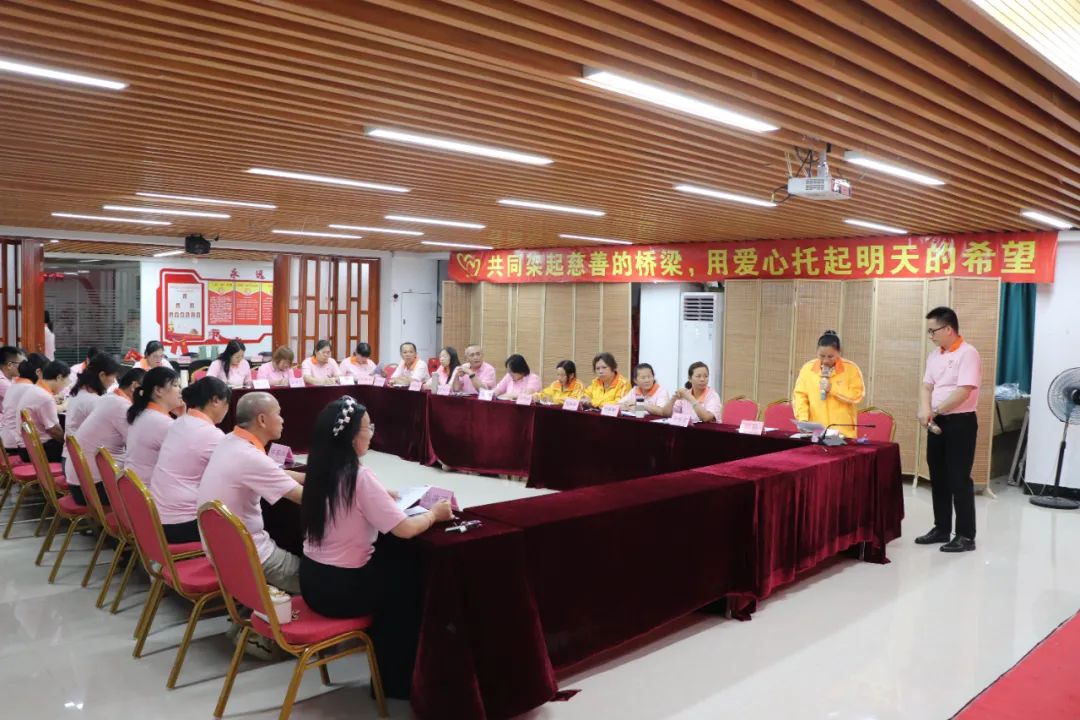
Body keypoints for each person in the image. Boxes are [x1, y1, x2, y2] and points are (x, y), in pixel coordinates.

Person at [300, 396, 452, 619]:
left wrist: (379, 495)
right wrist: (433, 514)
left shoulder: (319, 469)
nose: (372, 433)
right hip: (341, 590)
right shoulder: (358, 476)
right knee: (412, 576)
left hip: (310, 581)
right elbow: (406, 529)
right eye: (368, 428)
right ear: (352, 436)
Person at [197, 392, 305, 593]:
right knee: (321, 579)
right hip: (251, 557)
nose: (282, 420)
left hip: (221, 552)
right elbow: (305, 498)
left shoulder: (230, 440)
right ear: (262, 420)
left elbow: (271, 471)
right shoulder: (249, 456)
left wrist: (308, 476)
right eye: (278, 414)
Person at [916, 306, 981, 553]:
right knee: (938, 476)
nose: (930, 336)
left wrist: (935, 410)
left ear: (949, 329)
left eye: (933, 331)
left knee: (959, 478)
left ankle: (965, 535)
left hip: (960, 422)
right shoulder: (934, 355)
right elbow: (926, 386)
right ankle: (941, 528)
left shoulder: (968, 353)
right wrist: (925, 410)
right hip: (937, 422)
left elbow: (964, 391)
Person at [149, 377, 231, 543]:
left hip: (156, 518)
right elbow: (240, 471)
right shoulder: (210, 434)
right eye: (227, 403)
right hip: (181, 523)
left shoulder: (180, 422)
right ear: (215, 400)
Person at [67, 367, 144, 506]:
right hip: (93, 489)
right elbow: (138, 447)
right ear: (135, 386)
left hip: (80, 483)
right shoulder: (122, 406)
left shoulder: (108, 398)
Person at [792, 331, 866, 438]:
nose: (825, 360)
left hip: (842, 432)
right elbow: (800, 396)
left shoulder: (851, 369)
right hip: (816, 431)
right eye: (822, 356)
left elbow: (857, 395)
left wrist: (832, 389)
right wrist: (803, 419)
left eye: (830, 356)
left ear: (839, 353)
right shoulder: (807, 369)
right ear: (817, 352)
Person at [62, 354, 122, 482]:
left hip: (69, 458)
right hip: (79, 464)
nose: (114, 381)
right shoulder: (93, 401)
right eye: (113, 376)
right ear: (102, 375)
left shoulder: (79, 391)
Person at [125, 366, 185, 486]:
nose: (180, 391)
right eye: (175, 385)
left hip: (134, 487)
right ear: (158, 390)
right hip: (150, 491)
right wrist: (183, 417)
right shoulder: (163, 423)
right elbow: (186, 460)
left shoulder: (143, 413)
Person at [16, 359, 70, 463]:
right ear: (59, 377)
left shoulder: (35, 389)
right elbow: (54, 430)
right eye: (66, 381)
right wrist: (68, 443)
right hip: (38, 450)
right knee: (78, 450)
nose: (65, 386)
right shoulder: (44, 397)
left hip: (26, 448)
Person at [1, 353, 47, 454]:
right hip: (16, 444)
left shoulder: (14, 385)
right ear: (39, 372)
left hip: (7, 439)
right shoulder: (30, 389)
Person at [0, 345, 22, 415]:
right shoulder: (2, 382)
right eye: (21, 364)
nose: (23, 367)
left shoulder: (12, 378)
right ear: (9, 365)